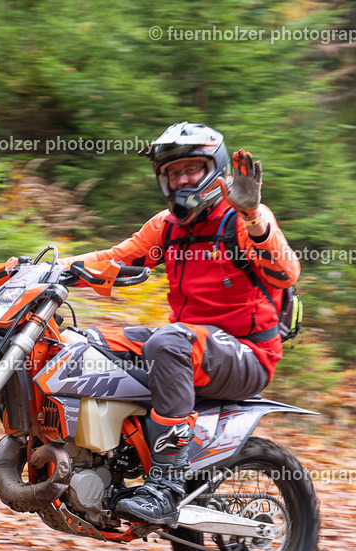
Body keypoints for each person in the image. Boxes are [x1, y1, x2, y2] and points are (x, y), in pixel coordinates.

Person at [55, 122, 299, 525]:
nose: (182, 179)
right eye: (173, 172)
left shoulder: (240, 219)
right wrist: (38, 268)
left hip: (246, 353)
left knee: (168, 342)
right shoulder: (166, 227)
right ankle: (105, 463)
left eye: (192, 169)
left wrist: (253, 215)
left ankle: (165, 486)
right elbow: (113, 259)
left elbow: (287, 271)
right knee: (84, 342)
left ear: (215, 170)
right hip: (191, 346)